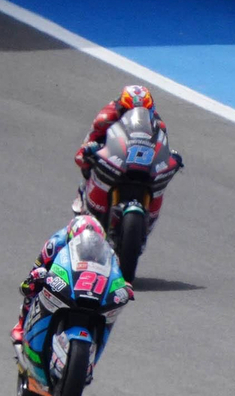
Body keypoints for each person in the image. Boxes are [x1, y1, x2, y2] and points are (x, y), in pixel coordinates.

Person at [10, 215, 134, 344]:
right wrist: (35, 279)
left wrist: (122, 285)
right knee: (33, 286)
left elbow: (115, 273)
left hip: (88, 281)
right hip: (61, 272)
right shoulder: (56, 243)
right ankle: (21, 324)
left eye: (95, 244)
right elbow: (36, 270)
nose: (88, 247)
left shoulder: (109, 252)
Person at [71, 84, 182, 212]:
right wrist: (89, 150)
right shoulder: (104, 119)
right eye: (128, 111)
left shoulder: (158, 124)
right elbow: (82, 152)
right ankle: (82, 190)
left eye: (146, 110)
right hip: (112, 150)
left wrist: (169, 158)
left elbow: (161, 147)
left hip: (139, 156)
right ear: (121, 108)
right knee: (87, 162)